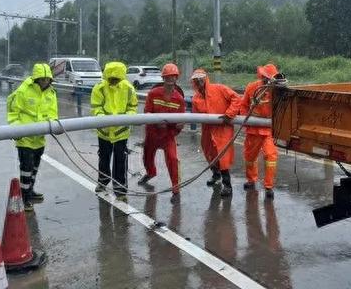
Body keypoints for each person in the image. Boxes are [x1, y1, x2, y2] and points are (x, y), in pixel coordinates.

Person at [7, 62, 58, 211]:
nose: (45, 82)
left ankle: (30, 190)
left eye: (47, 79)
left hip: (39, 138)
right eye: (42, 79)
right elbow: (13, 112)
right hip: (25, 138)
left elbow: (53, 113)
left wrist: (53, 125)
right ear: (36, 78)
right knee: (26, 168)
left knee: (35, 167)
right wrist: (16, 130)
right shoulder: (24, 90)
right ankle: (25, 196)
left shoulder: (51, 93)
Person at [138, 63, 186, 203]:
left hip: (168, 135)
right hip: (152, 133)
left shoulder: (179, 99)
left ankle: (176, 190)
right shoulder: (153, 94)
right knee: (147, 157)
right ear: (163, 78)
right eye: (167, 77)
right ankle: (150, 173)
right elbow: (147, 112)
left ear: (176, 78)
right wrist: (154, 122)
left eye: (173, 77)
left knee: (172, 159)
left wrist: (178, 127)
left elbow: (181, 120)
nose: (170, 79)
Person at [91, 61, 138, 202]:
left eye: (116, 79)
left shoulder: (128, 88)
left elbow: (132, 106)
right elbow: (96, 107)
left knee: (121, 159)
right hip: (104, 131)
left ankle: (121, 189)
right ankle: (102, 181)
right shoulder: (99, 88)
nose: (114, 81)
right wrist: (101, 118)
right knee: (104, 157)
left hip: (121, 132)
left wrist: (129, 116)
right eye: (111, 79)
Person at [190, 68, 240, 197]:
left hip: (223, 128)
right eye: (196, 80)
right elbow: (195, 115)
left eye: (201, 79)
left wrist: (229, 114)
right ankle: (216, 174)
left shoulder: (220, 89)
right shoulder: (196, 98)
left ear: (205, 79)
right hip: (207, 130)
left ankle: (227, 185)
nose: (199, 82)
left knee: (222, 156)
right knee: (209, 153)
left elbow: (236, 99)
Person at [240, 63, 279, 199]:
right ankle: (251, 180)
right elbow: (243, 105)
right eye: (265, 78)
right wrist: (248, 120)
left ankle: (268, 186)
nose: (266, 81)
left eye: (269, 79)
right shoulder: (252, 87)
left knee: (271, 156)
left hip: (269, 130)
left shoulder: (277, 90)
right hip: (253, 129)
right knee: (250, 157)